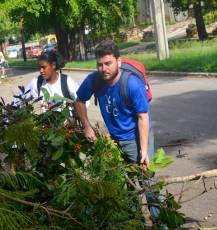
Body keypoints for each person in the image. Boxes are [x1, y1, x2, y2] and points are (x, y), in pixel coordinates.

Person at [74, 39, 160, 220]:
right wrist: (86, 126)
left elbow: (143, 117)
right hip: (114, 139)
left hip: (137, 137)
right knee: (126, 183)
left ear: (118, 62)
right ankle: (134, 222)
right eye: (99, 64)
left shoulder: (132, 84)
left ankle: (161, 221)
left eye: (108, 63)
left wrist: (143, 151)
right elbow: (79, 101)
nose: (103, 69)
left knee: (148, 182)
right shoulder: (94, 80)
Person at [14, 50, 80, 113]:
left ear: (53, 65)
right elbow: (19, 100)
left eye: (44, 67)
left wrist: (73, 116)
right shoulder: (36, 82)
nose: (41, 71)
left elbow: (82, 103)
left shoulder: (67, 82)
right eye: (39, 67)